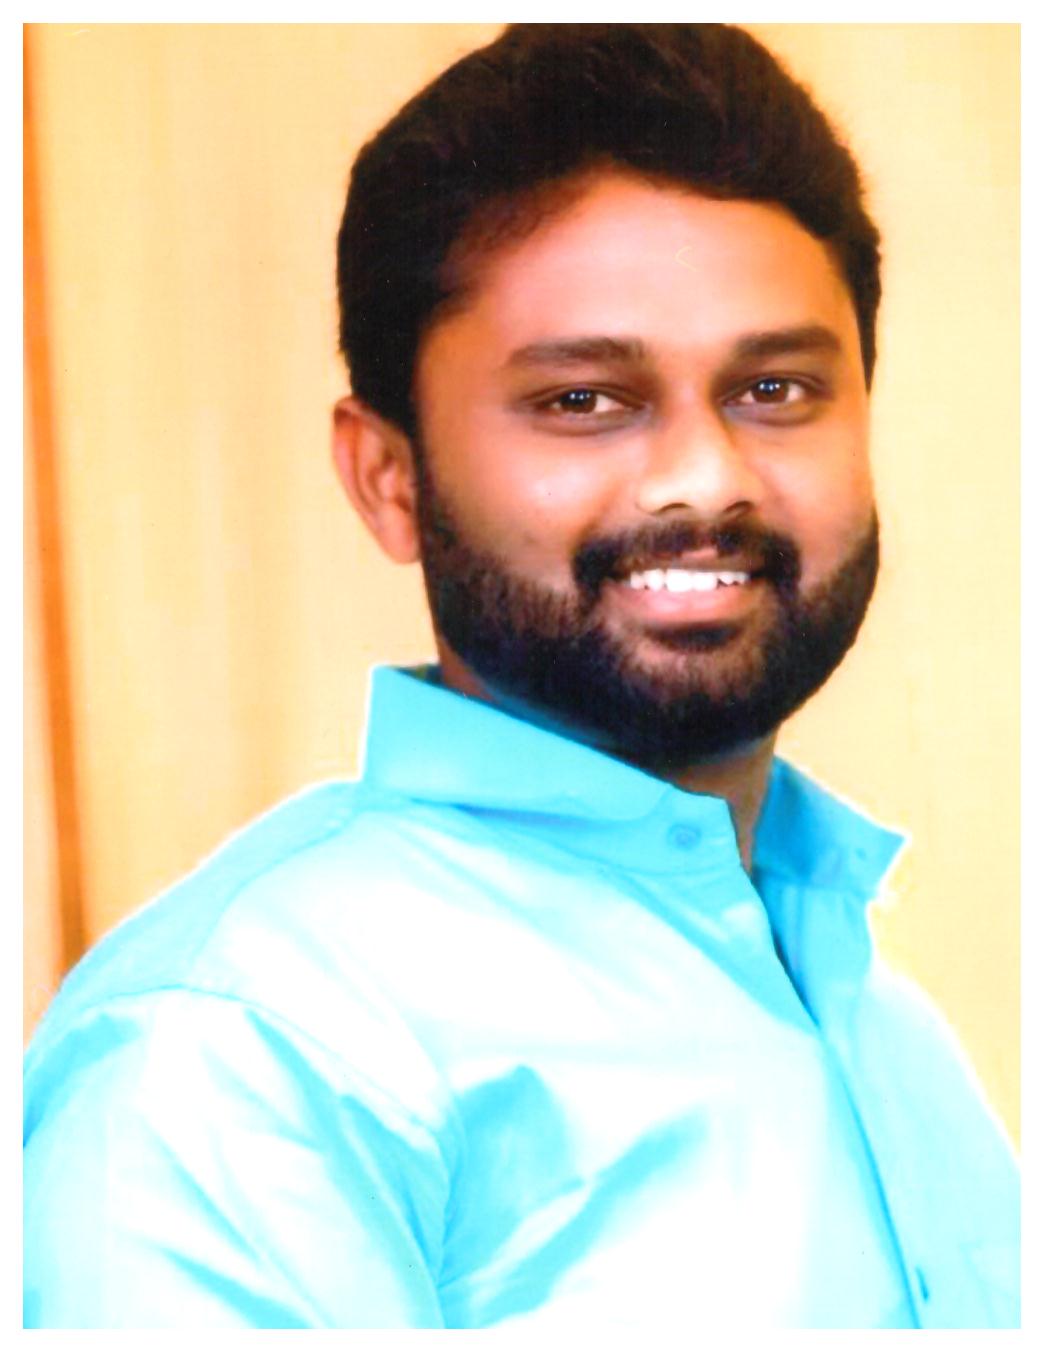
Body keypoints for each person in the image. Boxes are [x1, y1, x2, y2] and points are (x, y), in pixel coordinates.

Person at [23, 23, 1018, 1329]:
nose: (704, 479)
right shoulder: (252, 1050)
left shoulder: (881, 1021)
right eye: (582, 401)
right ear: (389, 478)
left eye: (775, 389)